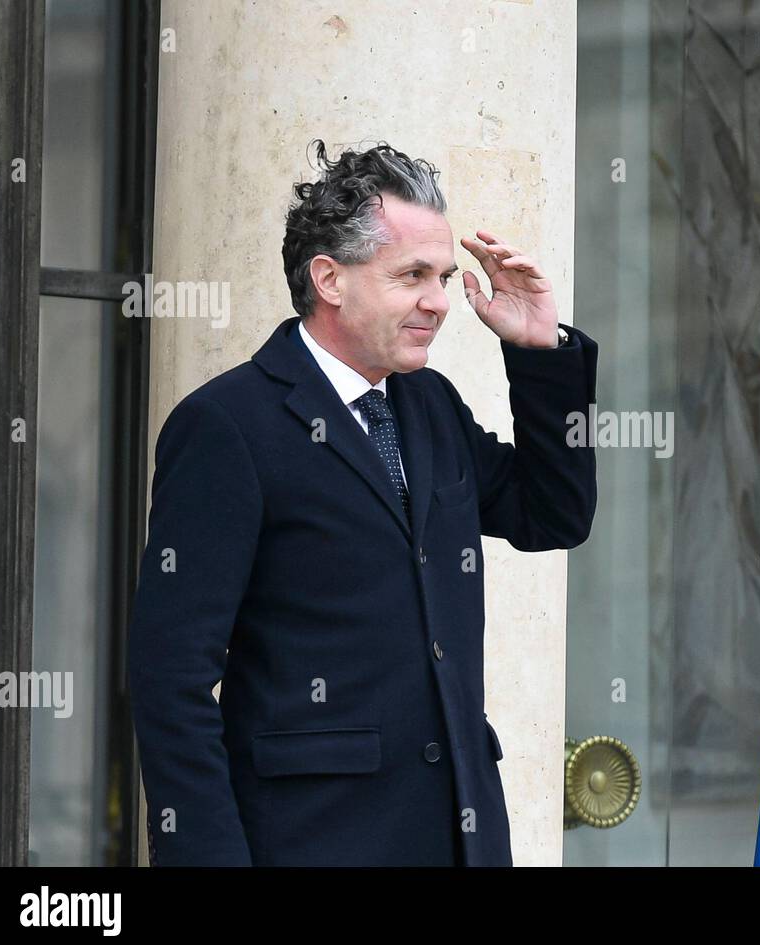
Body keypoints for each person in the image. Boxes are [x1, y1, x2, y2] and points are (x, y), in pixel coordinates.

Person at [128, 140, 598, 866]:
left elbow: (552, 516)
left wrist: (540, 351)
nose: (440, 301)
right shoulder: (227, 426)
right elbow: (170, 677)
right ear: (330, 279)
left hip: (458, 840)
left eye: (442, 276)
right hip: (312, 841)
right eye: (413, 275)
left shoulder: (430, 404)